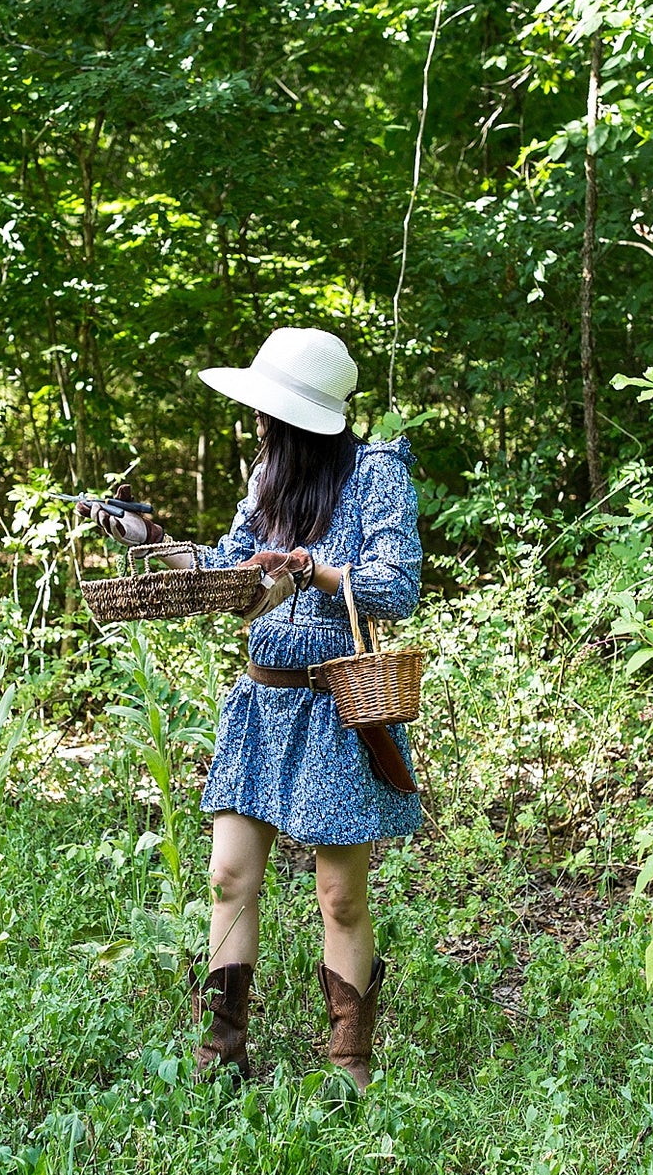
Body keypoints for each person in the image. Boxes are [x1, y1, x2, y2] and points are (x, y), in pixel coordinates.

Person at [94, 327, 423, 1089]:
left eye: (271, 412)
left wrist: (312, 569)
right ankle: (223, 1054)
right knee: (226, 880)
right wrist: (156, 539)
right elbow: (228, 571)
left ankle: (348, 1069)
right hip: (258, 703)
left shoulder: (375, 474)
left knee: (338, 897)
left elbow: (395, 587)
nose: (261, 422)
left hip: (333, 708)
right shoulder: (267, 474)